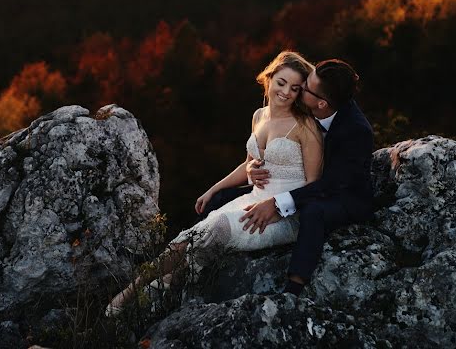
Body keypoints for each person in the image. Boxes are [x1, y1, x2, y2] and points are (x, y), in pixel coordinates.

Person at [105, 50, 323, 316]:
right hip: (252, 199)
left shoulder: (305, 126)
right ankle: (126, 294)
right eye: (281, 82)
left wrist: (278, 208)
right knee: (187, 239)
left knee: (215, 232)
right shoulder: (259, 116)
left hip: (285, 215)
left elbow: (315, 186)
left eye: (295, 88)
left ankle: (155, 295)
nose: (286, 92)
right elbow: (250, 163)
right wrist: (214, 189)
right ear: (269, 77)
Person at [238, 58, 374, 296]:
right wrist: (251, 169)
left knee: (314, 213)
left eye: (305, 87)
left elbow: (331, 185)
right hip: (306, 184)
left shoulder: (355, 131)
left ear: (321, 103)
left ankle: (294, 287)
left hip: (343, 196)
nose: (299, 88)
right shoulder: (310, 104)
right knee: (224, 197)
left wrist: (277, 203)